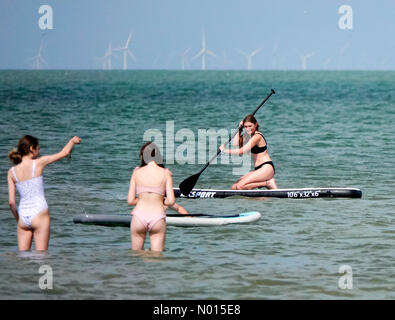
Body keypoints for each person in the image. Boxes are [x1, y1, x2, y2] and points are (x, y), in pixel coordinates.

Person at [8, 135, 82, 251]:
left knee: (22, 260)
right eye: (38, 148)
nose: (39, 151)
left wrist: (20, 221)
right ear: (32, 148)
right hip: (39, 213)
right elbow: (64, 153)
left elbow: (11, 203)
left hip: (23, 215)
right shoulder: (38, 163)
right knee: (41, 258)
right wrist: (72, 141)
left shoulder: (11, 172)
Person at [127, 142, 175, 252]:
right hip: (157, 217)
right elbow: (171, 201)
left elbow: (130, 200)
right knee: (156, 258)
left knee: (136, 255)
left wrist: (143, 199)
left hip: (139, 216)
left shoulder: (136, 172)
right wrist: (159, 200)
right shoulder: (165, 173)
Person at [219, 114, 278, 190]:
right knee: (235, 187)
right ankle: (256, 199)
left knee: (240, 186)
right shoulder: (247, 136)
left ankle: (268, 183)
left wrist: (224, 150)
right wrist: (239, 129)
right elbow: (236, 144)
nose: (248, 129)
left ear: (256, 125)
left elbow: (241, 151)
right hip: (258, 169)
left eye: (250, 126)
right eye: (245, 127)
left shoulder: (257, 136)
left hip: (266, 168)